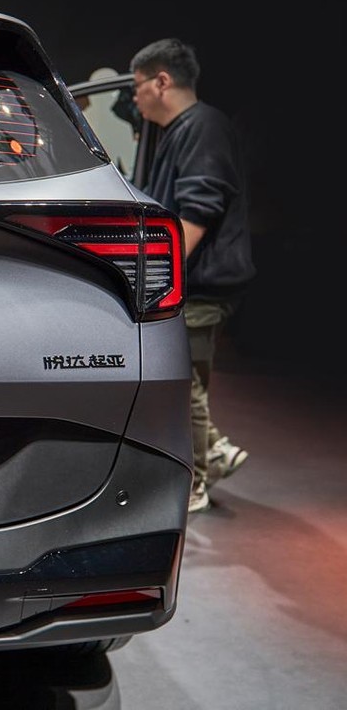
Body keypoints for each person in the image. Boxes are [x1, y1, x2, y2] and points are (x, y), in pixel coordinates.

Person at [130, 38, 255, 514]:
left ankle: (197, 480)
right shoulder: (185, 130)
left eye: (138, 86)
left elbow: (198, 212)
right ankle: (216, 449)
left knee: (187, 386)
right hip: (194, 282)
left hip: (200, 285)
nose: (135, 98)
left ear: (161, 81)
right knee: (189, 379)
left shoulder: (203, 127)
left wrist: (153, 277)